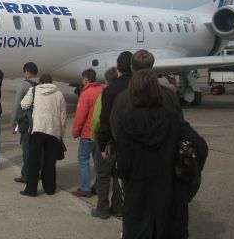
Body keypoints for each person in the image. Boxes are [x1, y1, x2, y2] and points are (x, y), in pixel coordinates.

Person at [117, 70, 184, 239]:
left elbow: (123, 166)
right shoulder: (172, 117)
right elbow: (199, 147)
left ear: (133, 91)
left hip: (137, 193)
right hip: (167, 193)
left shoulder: (126, 120)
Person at [92, 52, 132, 218]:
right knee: (119, 176)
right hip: (130, 141)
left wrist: (101, 144)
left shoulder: (110, 91)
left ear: (118, 67)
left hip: (111, 141)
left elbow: (104, 120)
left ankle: (102, 208)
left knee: (103, 175)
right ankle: (118, 207)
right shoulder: (140, 86)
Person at [19, 74, 66, 197]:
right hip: (53, 131)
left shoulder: (34, 90)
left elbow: (24, 105)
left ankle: (31, 190)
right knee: (50, 161)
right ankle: (50, 188)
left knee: (33, 161)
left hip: (37, 129)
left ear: (40, 82)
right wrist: (61, 133)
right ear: (51, 82)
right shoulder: (59, 94)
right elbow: (63, 116)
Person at [71, 68, 102, 198]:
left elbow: (80, 116)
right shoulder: (102, 90)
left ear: (85, 80)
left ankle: (85, 188)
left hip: (87, 133)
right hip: (100, 133)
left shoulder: (86, 93)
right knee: (97, 161)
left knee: (83, 160)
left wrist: (75, 132)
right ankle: (99, 186)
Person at [12, 62, 39, 184]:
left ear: (27, 72)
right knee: (38, 149)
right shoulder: (41, 83)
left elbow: (17, 104)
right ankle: (37, 172)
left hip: (27, 122)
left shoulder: (24, 85)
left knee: (27, 150)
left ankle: (26, 175)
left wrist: (13, 122)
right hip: (39, 121)